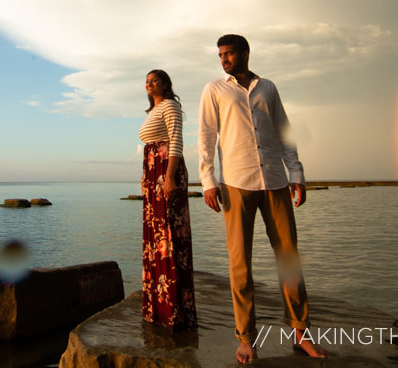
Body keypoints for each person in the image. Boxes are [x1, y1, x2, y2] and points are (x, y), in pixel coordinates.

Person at [198, 34, 328, 362]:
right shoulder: (215, 89)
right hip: (236, 183)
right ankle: (246, 338)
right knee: (240, 264)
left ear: (245, 53)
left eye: (229, 53)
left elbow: (284, 132)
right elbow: (207, 136)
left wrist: (296, 174)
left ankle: (301, 334)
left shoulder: (268, 87)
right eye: (221, 55)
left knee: (289, 259)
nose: (224, 59)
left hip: (275, 181)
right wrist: (208, 180)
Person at [138, 69, 198, 331]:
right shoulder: (153, 110)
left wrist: (169, 176)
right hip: (154, 173)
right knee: (156, 237)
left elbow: (176, 141)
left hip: (165, 170)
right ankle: (159, 307)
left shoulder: (171, 105)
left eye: (155, 80)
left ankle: (175, 310)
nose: (150, 84)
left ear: (165, 84)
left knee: (169, 237)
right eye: (147, 81)